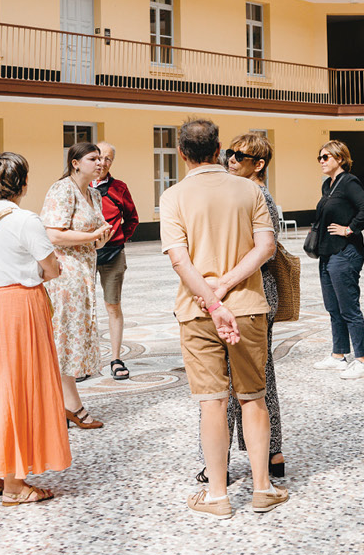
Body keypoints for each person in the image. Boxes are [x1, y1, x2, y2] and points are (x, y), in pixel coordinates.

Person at [161, 118, 287, 518]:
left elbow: (179, 259)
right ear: (218, 150)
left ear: (182, 153)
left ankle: (217, 496)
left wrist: (212, 300)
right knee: (253, 397)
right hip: (247, 305)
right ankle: (263, 488)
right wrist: (228, 286)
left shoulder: (173, 195)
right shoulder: (249, 189)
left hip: (197, 312)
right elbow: (266, 246)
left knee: (212, 403)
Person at [0, 152, 70, 507]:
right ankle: (15, 483)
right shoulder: (27, 220)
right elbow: (51, 268)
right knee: (19, 386)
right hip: (19, 306)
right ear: (23, 184)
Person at [194, 133, 287, 484]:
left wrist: (223, 283)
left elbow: (267, 248)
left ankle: (217, 460)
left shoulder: (256, 194)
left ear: (258, 164)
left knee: (232, 378)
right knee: (258, 374)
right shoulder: (239, 191)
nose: (231, 160)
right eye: (229, 154)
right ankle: (272, 451)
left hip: (249, 289)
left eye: (240, 156)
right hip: (245, 289)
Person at [41, 142, 114, 430]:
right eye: (93, 158)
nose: (100, 163)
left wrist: (100, 239)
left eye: (102, 159)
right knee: (64, 337)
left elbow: (91, 233)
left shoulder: (94, 194)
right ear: (75, 162)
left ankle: (61, 404)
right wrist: (91, 236)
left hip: (84, 272)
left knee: (72, 337)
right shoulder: (63, 190)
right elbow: (53, 235)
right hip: (63, 274)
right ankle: (70, 405)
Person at [312, 140, 364, 380]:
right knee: (333, 307)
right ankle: (338, 355)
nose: (321, 161)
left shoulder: (348, 182)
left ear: (340, 158)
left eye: (326, 157)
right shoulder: (327, 185)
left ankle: (361, 360)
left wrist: (349, 229)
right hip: (328, 253)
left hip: (345, 253)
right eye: (319, 157)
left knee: (349, 307)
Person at [90, 141, 139, 381]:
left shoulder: (119, 188)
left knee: (112, 306)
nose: (103, 163)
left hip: (112, 255)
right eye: (99, 157)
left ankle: (116, 358)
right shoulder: (76, 186)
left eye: (108, 159)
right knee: (83, 309)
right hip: (84, 255)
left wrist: (120, 238)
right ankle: (83, 362)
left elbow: (132, 218)